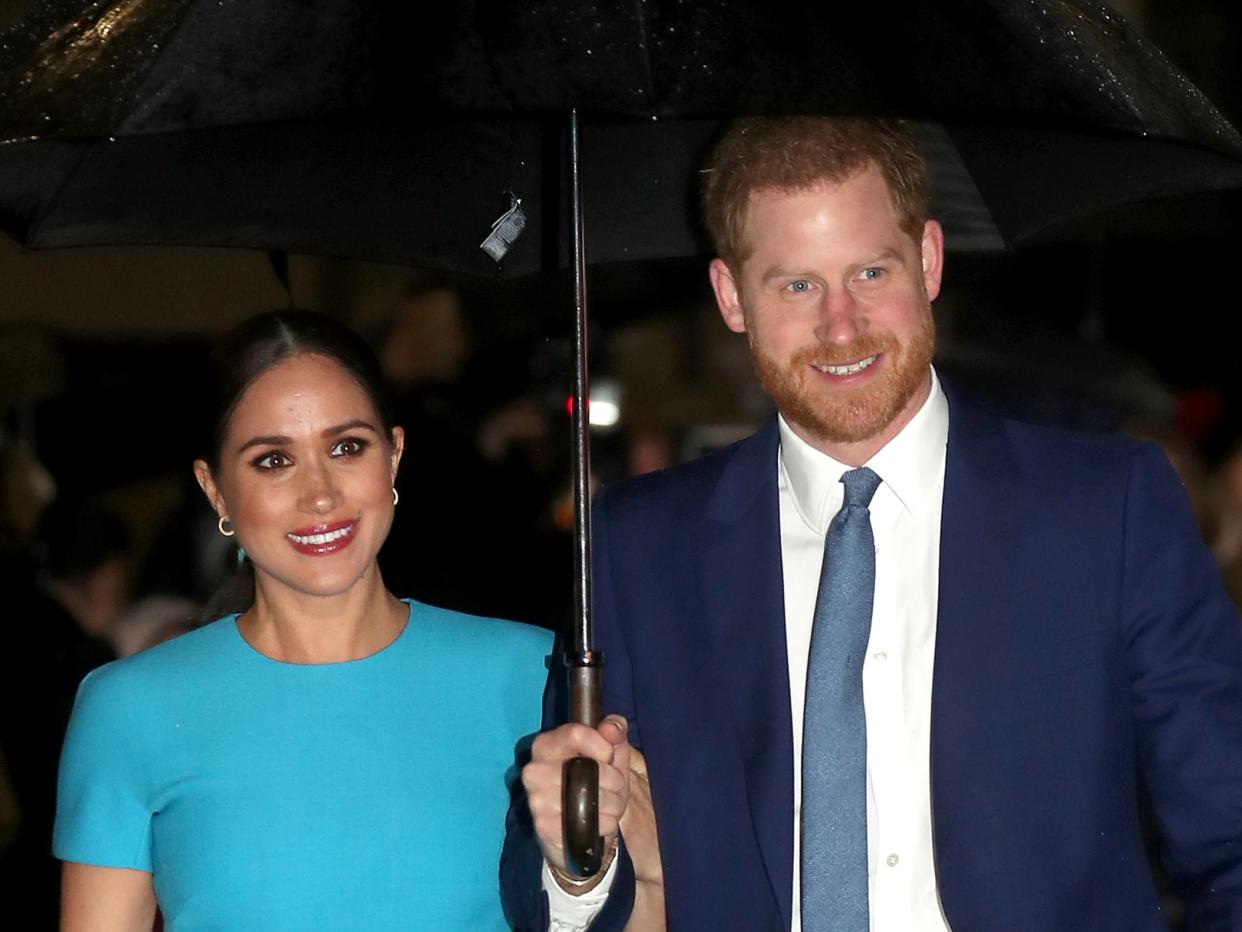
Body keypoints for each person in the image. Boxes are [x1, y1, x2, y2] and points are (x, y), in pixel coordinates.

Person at [501, 117, 1242, 931]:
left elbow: (1228, 837)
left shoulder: (1109, 507)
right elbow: (561, 895)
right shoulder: (641, 544)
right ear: (730, 297)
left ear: (927, 260)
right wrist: (582, 860)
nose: (841, 325)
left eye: (868, 271)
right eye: (796, 285)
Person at [55, 310, 553, 930]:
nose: (319, 494)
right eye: (273, 460)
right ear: (215, 492)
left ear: (393, 458)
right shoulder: (128, 709)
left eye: (346, 447)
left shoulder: (533, 675)